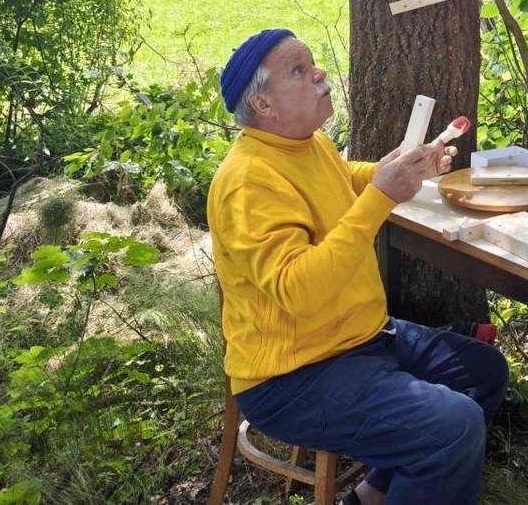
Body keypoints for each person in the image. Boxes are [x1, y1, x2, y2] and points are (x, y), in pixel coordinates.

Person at [208, 28, 509, 505]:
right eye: (299, 71)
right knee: (452, 426)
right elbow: (300, 292)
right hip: (293, 374)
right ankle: (422, 467)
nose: (319, 74)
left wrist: (403, 171)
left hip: (358, 336)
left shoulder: (308, 142)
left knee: (484, 369)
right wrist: (381, 197)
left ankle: (372, 492)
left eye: (313, 64)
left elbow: (345, 180)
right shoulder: (248, 181)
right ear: (263, 105)